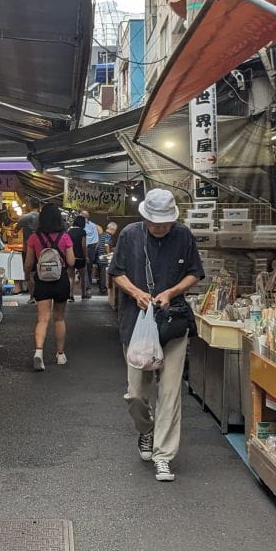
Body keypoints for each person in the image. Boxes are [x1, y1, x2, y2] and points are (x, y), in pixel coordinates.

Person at [108, 189, 204, 482]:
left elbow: (195, 272)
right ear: (145, 218)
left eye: (165, 222)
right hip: (136, 323)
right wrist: (136, 293)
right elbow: (116, 271)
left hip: (172, 323)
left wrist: (171, 292)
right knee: (136, 393)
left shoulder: (183, 235)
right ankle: (146, 429)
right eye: (154, 222)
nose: (160, 227)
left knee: (170, 393)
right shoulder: (130, 235)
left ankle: (163, 457)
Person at [24, 203, 76, 371]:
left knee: (42, 319)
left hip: (42, 280)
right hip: (60, 280)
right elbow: (71, 262)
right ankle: (60, 355)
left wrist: (27, 276)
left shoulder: (34, 238)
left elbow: (29, 263)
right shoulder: (65, 237)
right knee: (59, 318)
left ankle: (39, 352)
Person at [17, 202, 40, 303]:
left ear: (29, 206)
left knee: (29, 272)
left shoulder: (24, 218)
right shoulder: (43, 217)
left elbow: (15, 230)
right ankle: (40, 295)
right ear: (39, 206)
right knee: (40, 272)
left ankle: (32, 297)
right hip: (40, 248)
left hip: (27, 248)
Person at [67, 216, 89, 301]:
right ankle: (83, 294)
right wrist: (85, 256)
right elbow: (83, 245)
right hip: (80, 257)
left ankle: (70, 295)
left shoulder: (69, 231)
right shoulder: (82, 232)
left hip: (71, 256)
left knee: (71, 276)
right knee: (83, 276)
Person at [81, 210, 99, 298]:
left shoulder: (81, 226)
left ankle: (87, 288)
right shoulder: (94, 226)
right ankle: (88, 287)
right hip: (92, 248)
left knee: (85, 269)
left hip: (84, 247)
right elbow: (97, 240)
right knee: (88, 269)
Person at [96, 222, 117, 294]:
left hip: (99, 257)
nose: (115, 232)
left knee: (101, 274)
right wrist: (109, 254)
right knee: (104, 274)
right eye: (115, 230)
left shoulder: (102, 235)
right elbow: (106, 245)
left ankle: (101, 288)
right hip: (104, 258)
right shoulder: (108, 236)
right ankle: (103, 289)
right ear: (112, 229)